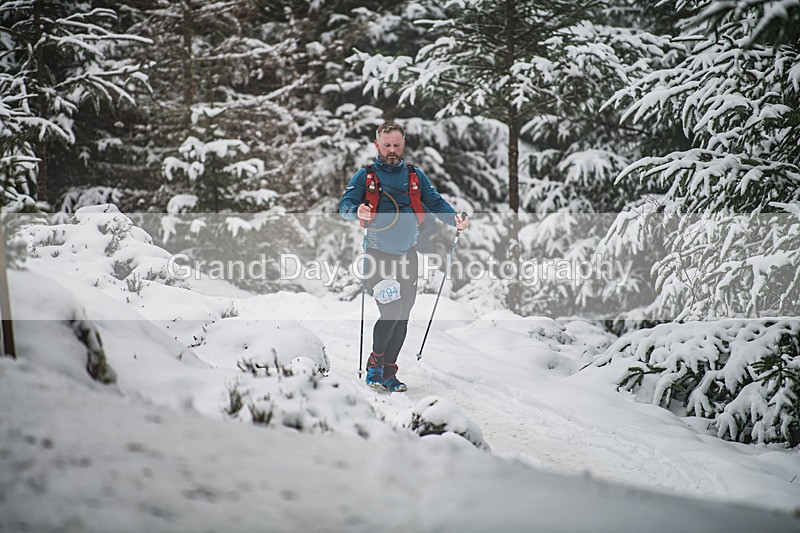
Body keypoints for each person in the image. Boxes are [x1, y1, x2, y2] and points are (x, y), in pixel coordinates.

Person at [339, 120, 469, 392]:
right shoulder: (366, 176)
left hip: (408, 256)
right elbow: (345, 206)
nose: (392, 150)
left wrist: (453, 218)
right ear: (377, 145)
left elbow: (435, 202)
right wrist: (358, 212)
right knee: (391, 311)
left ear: (403, 145)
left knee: (403, 316)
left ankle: (389, 371)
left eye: (396, 145)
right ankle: (374, 364)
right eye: (386, 145)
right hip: (377, 256)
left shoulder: (414, 176)